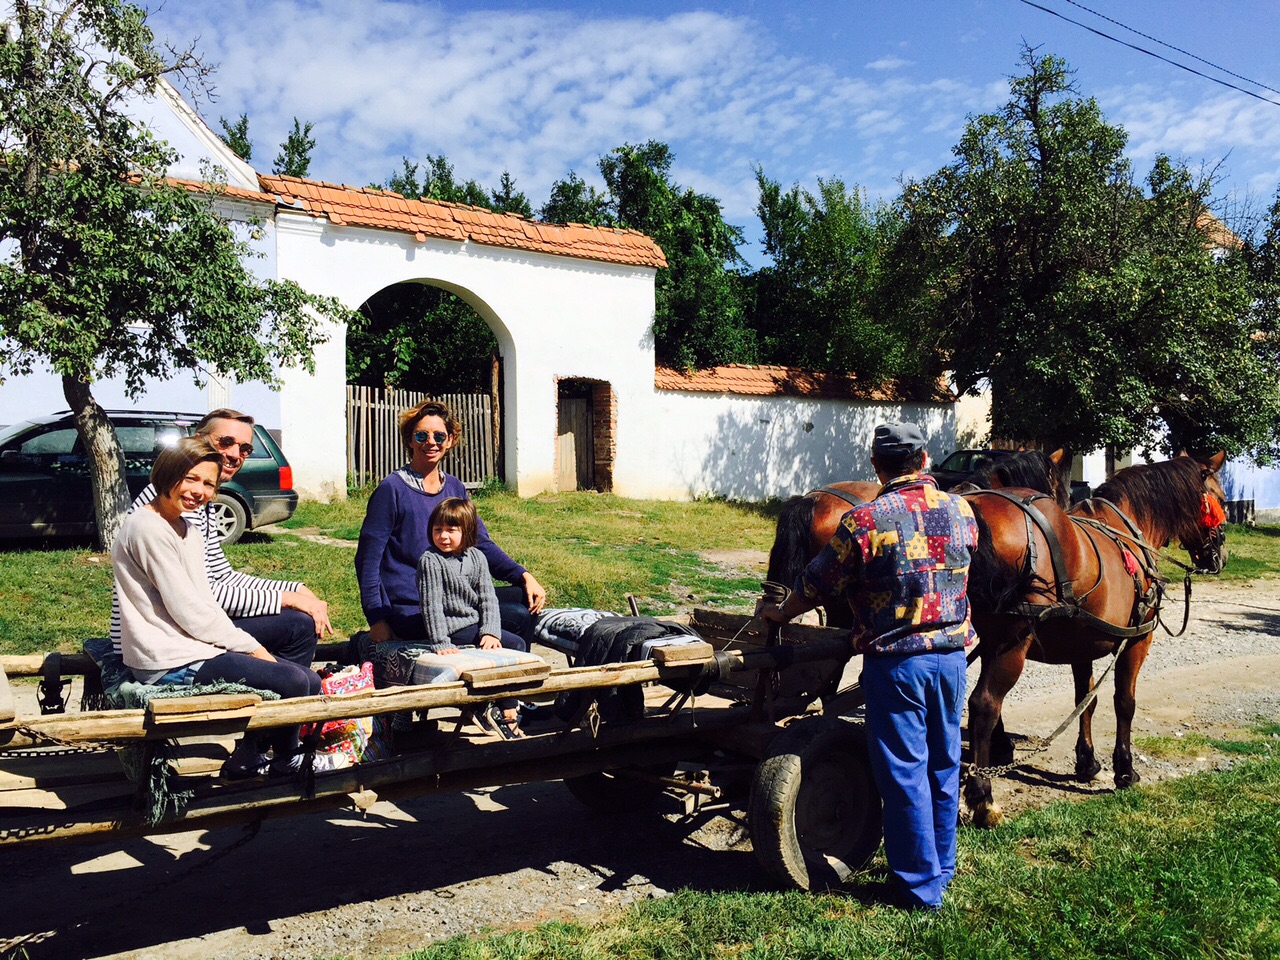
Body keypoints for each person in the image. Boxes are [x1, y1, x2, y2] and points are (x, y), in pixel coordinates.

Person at [758, 421, 979, 911]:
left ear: (876, 467)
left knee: (903, 772)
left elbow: (814, 586)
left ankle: (920, 890)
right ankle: (941, 867)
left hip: (897, 664)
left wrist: (778, 611)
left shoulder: (864, 522)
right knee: (943, 764)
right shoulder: (962, 511)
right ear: (924, 460)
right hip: (950, 660)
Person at [111, 438, 347, 778]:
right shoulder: (147, 527)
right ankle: (284, 760)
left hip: (192, 645)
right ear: (166, 474)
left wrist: (244, 639)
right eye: (190, 478)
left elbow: (205, 597)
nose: (199, 491)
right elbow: (188, 610)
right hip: (166, 658)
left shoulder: (185, 527)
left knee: (308, 678)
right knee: (294, 680)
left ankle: (269, 758)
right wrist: (252, 648)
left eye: (209, 484)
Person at [110, 408, 332, 676]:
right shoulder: (175, 503)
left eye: (245, 448)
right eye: (225, 442)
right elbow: (201, 595)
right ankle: (272, 695)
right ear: (198, 439)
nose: (235, 454)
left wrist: (295, 588)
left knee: (297, 630)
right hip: (165, 637)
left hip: (187, 626)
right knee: (298, 626)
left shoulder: (202, 502)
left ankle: (271, 690)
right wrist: (285, 599)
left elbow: (220, 575)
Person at [355, 399, 547, 646]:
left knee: (524, 600)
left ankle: (507, 676)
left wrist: (523, 575)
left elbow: (480, 543)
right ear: (410, 440)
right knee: (514, 628)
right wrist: (377, 619)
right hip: (414, 608)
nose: (431, 442)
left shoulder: (454, 487)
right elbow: (367, 560)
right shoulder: (391, 489)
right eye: (422, 435)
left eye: (439, 435)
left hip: (456, 600)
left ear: (450, 440)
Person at [417, 497, 528, 738]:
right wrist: (440, 642)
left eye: (451, 530)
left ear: (466, 531)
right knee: (503, 648)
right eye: (438, 530)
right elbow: (431, 604)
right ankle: (491, 708)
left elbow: (488, 598)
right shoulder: (431, 560)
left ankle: (508, 709)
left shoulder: (477, 557)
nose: (443, 537)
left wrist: (490, 631)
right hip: (452, 627)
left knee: (515, 645)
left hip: (474, 624)